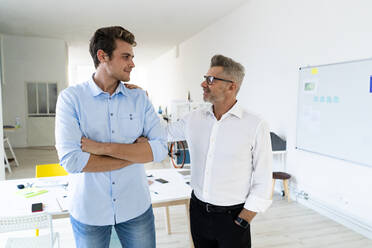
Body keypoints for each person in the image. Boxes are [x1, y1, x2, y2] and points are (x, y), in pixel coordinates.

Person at [127, 54, 272, 248]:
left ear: (232, 86)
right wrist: (144, 101)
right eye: (205, 78)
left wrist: (243, 220)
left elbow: (263, 179)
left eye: (211, 80)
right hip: (198, 210)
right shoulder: (194, 118)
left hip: (233, 217)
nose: (203, 84)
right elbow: (162, 132)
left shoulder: (255, 125)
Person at [55, 26, 167, 248]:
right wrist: (135, 154)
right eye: (125, 57)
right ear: (102, 56)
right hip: (89, 211)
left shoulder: (139, 98)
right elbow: (72, 161)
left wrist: (101, 148)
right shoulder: (71, 99)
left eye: (132, 57)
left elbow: (161, 148)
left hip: (135, 206)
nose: (132, 63)